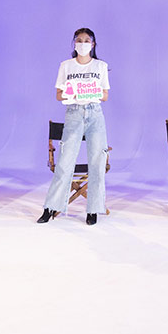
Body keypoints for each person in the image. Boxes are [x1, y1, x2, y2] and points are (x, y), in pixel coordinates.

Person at [38, 28, 110, 225]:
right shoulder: (66, 66)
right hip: (74, 113)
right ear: (74, 43)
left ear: (93, 44)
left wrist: (90, 93)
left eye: (87, 40)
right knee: (65, 161)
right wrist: (74, 94)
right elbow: (59, 94)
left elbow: (105, 95)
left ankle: (93, 209)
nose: (83, 43)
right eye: (79, 40)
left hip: (94, 113)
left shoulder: (100, 66)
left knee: (97, 162)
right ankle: (51, 207)